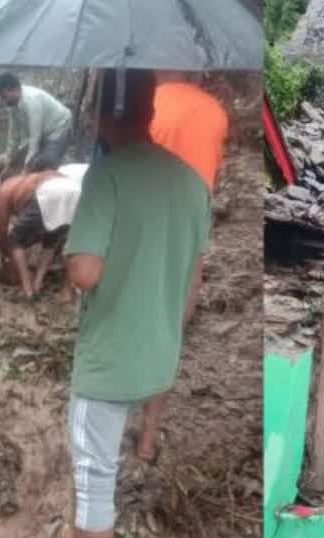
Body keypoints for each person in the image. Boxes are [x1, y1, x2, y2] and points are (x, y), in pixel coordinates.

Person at [31, 68, 208, 538]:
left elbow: (84, 273)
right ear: (150, 110)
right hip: (158, 351)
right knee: (99, 469)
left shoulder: (106, 177)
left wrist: (72, 247)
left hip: (109, 357)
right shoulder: (192, 181)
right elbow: (193, 281)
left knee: (93, 476)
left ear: (102, 115)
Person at [134, 72, 230, 463]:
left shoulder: (147, 102)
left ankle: (118, 411)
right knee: (169, 334)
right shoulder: (216, 112)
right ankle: (147, 440)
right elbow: (211, 176)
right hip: (189, 227)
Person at [0, 166, 67, 301]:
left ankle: (27, 290)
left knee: (14, 239)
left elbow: (1, 229)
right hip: (70, 190)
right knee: (50, 239)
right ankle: (37, 285)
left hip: (46, 193)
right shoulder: (30, 179)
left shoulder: (5, 189)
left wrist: (6, 254)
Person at [0, 73, 73, 172]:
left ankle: (56, 165)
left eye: (4, 97)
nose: (3, 101)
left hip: (59, 126)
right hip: (44, 129)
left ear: (14, 89)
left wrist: (26, 167)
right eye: (2, 97)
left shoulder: (31, 100)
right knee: (21, 160)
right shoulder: (12, 105)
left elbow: (35, 137)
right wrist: (9, 158)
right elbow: (13, 135)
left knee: (45, 163)